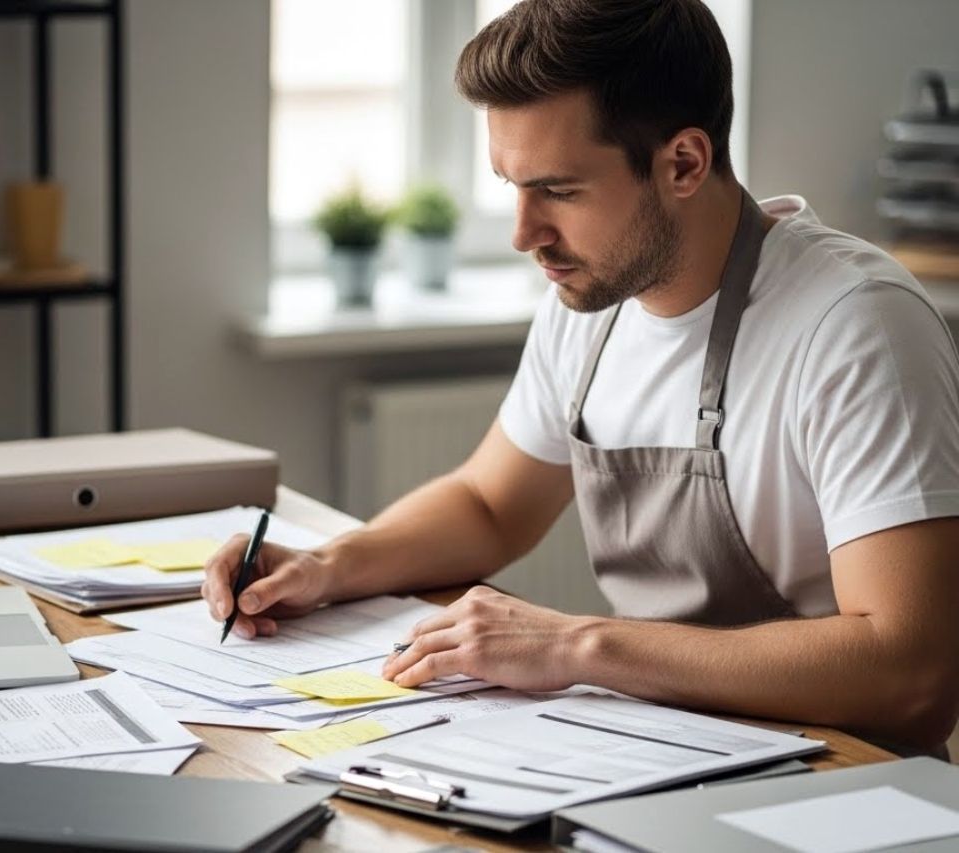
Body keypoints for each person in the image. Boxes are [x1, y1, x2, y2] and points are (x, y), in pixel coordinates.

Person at [203, 0, 959, 754]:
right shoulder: (590, 301)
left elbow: (911, 670)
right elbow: (490, 504)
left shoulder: (857, 325)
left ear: (684, 163)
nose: (523, 234)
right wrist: (325, 565)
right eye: (512, 185)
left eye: (559, 191)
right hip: (658, 751)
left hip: (844, 784)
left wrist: (576, 647)